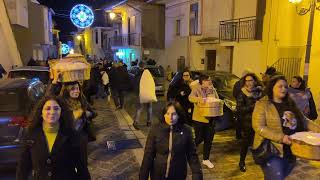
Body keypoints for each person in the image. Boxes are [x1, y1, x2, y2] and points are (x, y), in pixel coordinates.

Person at [252, 75, 320, 180]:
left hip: (290, 149)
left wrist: (318, 129)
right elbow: (258, 126)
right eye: (280, 86)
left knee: (282, 174)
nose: (283, 89)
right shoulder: (263, 104)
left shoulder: (290, 102)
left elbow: (304, 120)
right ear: (272, 88)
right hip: (272, 150)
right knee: (276, 176)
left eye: (285, 86)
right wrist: (281, 137)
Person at [16, 96, 90, 180]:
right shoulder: (31, 135)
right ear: (41, 113)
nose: (52, 112)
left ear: (61, 112)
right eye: (47, 108)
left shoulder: (72, 136)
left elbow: (82, 169)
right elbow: (23, 168)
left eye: (56, 109)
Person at [139, 102, 203, 180]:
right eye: (168, 114)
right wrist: (143, 176)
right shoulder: (155, 130)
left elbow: (192, 155)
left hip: (178, 174)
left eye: (174, 114)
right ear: (164, 115)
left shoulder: (186, 130)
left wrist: (197, 175)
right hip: (158, 174)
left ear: (179, 115)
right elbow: (148, 155)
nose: (170, 117)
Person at [60, 81, 97, 162]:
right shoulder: (62, 103)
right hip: (68, 137)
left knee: (82, 161)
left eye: (77, 88)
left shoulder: (82, 100)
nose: (77, 91)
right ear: (67, 90)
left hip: (81, 136)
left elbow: (94, 113)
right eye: (73, 89)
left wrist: (88, 113)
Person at [189, 74, 219, 169]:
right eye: (208, 80)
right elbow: (190, 98)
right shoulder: (196, 89)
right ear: (202, 81)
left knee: (208, 140)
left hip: (211, 118)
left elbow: (217, 99)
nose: (210, 81)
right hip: (199, 119)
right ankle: (189, 152)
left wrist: (213, 95)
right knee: (199, 138)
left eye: (210, 80)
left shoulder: (212, 89)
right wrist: (200, 99)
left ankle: (206, 159)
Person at [236, 73, 263, 172]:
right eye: (247, 80)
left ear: (255, 81)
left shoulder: (259, 91)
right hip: (248, 121)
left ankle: (259, 158)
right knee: (246, 142)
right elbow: (239, 109)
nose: (249, 82)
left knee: (259, 141)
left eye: (251, 80)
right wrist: (253, 106)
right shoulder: (242, 93)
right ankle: (241, 162)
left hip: (260, 121)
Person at [132, 61, 153, 129]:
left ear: (139, 66)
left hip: (139, 93)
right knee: (149, 107)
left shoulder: (137, 74)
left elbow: (134, 84)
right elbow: (151, 83)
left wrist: (136, 92)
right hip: (148, 93)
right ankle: (149, 122)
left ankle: (136, 122)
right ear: (145, 66)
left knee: (139, 108)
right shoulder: (147, 73)